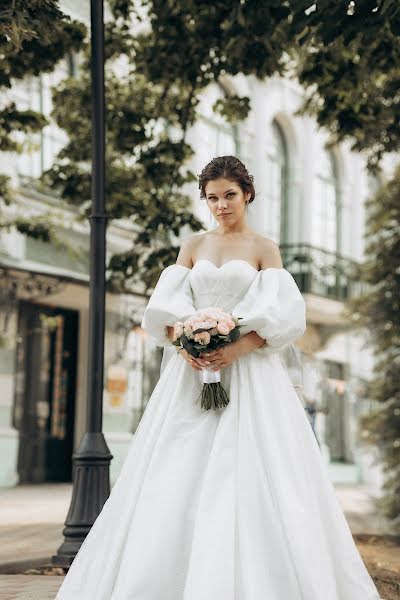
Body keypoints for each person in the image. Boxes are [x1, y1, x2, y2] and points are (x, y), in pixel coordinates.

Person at [56, 156, 381, 599]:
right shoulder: (192, 246)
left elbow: (281, 318)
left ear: (247, 193)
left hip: (249, 374)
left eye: (229, 195)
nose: (222, 205)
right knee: (172, 467)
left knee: (254, 467)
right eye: (212, 197)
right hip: (190, 377)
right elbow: (166, 308)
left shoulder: (264, 248)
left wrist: (235, 348)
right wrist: (185, 345)